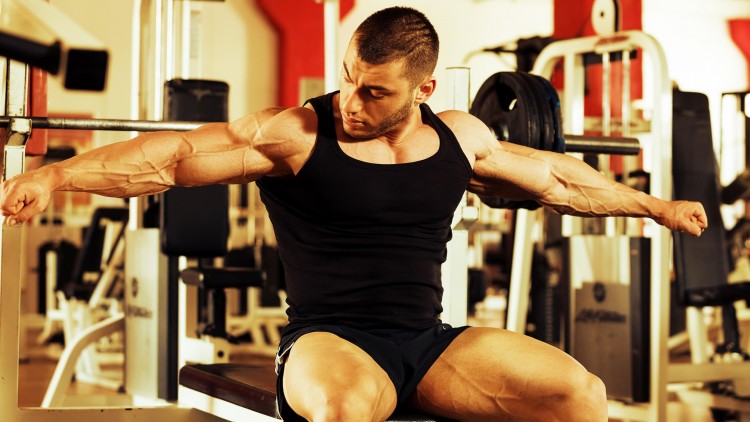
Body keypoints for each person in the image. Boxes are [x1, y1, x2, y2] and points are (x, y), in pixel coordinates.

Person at [1, 6, 706, 422]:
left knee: (579, 394)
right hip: (328, 340)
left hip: (430, 344)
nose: (350, 102)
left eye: (373, 93)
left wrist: (658, 207)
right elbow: (175, 158)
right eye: (347, 80)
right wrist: (57, 174)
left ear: (423, 89)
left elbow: (557, 178)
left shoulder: (461, 136)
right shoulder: (297, 135)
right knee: (343, 412)